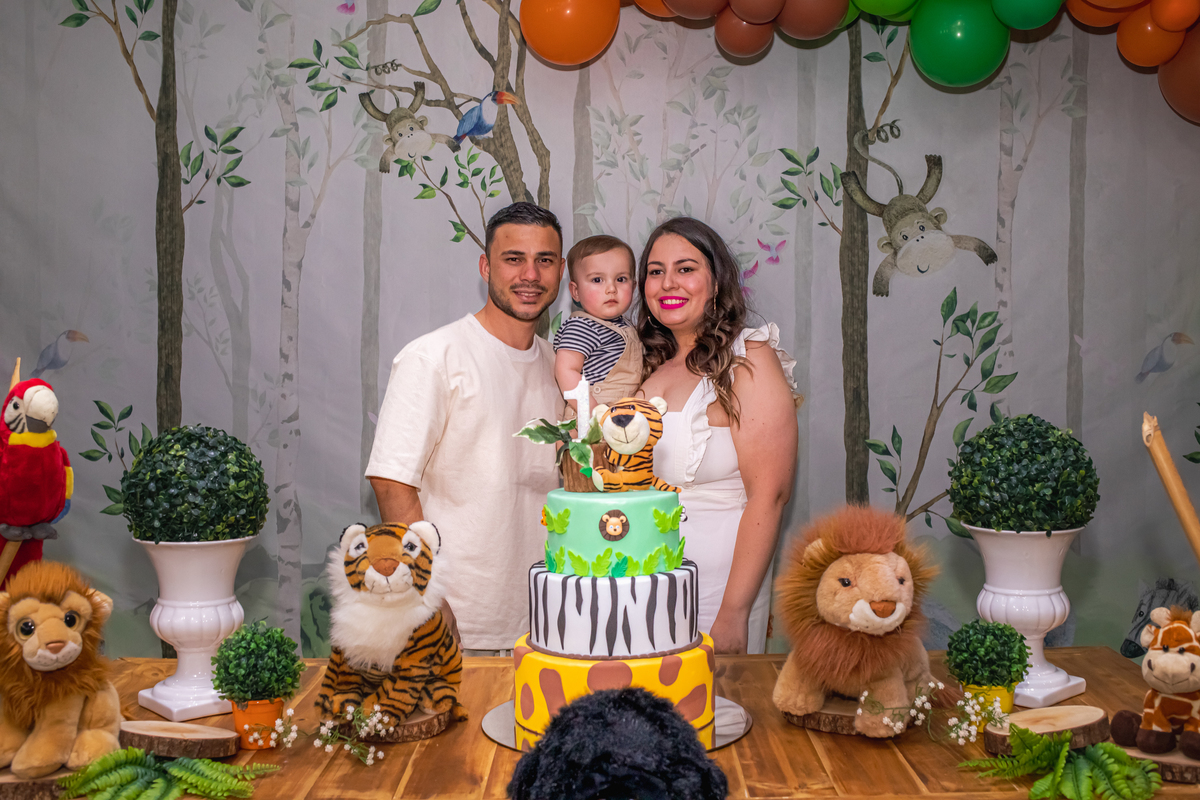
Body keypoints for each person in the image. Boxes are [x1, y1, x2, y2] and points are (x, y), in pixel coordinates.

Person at [366, 202, 566, 654]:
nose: (530, 274)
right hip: (457, 622)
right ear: (485, 267)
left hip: (545, 619)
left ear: (560, 271)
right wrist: (427, 593)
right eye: (513, 258)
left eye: (545, 260)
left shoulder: (558, 367)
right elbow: (391, 481)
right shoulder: (433, 357)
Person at [637, 217, 799, 655]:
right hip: (642, 580)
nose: (668, 283)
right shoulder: (646, 366)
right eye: (655, 271)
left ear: (716, 281)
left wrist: (733, 612)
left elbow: (771, 494)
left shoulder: (748, 357)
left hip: (718, 588)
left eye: (686, 269)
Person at [553, 235, 643, 415]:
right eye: (597, 280)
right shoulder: (582, 327)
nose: (611, 289)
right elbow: (566, 370)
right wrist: (592, 412)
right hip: (588, 413)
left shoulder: (626, 326)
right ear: (576, 291)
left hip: (619, 412)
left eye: (621, 279)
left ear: (633, 287)